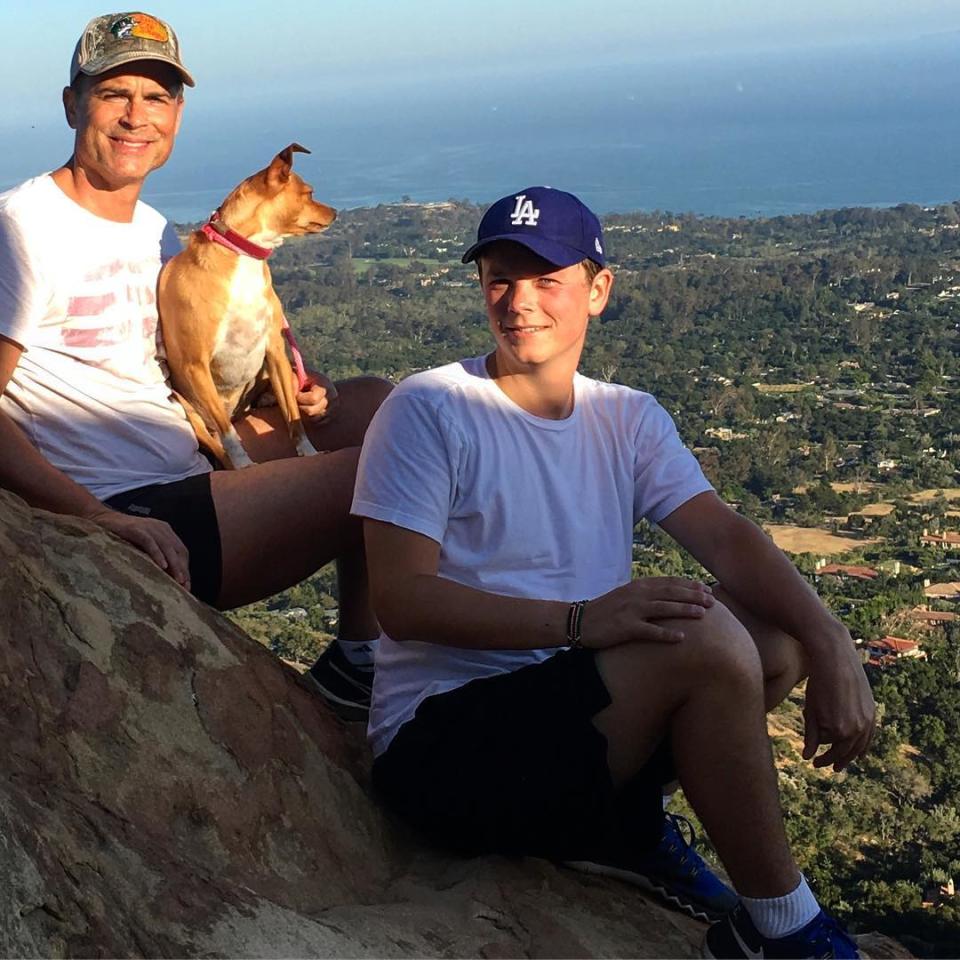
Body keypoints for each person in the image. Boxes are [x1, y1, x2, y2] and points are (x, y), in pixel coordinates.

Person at [350, 186, 875, 957]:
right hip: (444, 745)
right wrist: (579, 622)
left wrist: (830, 639)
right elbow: (401, 600)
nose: (520, 302)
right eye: (500, 278)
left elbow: (725, 537)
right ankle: (785, 927)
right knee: (710, 640)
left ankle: (620, 827)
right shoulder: (429, 408)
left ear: (598, 290)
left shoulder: (625, 415)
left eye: (546, 280)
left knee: (776, 638)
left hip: (568, 714)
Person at [0, 11, 386, 719]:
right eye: (115, 93)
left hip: (190, 461)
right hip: (133, 505)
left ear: (177, 113)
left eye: (158, 96)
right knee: (393, 466)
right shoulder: (20, 229)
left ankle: (357, 660)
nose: (136, 116)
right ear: (70, 104)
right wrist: (93, 519)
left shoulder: (154, 233)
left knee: (383, 407)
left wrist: (304, 393)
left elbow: (187, 367)